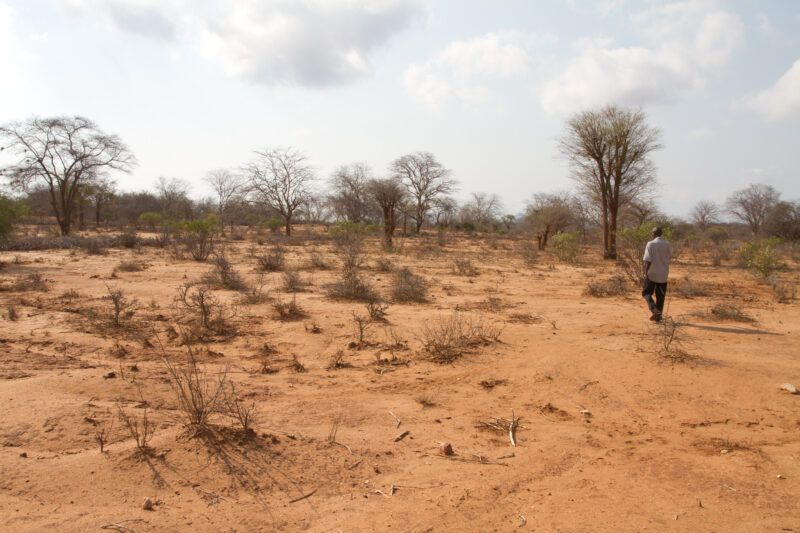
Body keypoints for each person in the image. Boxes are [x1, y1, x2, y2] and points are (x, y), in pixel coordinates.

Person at [642, 226, 670, 322]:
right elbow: (668, 257)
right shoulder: (667, 244)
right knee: (660, 296)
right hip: (663, 273)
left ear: (653, 233)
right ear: (661, 234)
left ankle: (654, 310)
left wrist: (646, 273)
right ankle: (658, 317)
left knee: (646, 293)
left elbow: (648, 260)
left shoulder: (651, 244)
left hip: (652, 273)